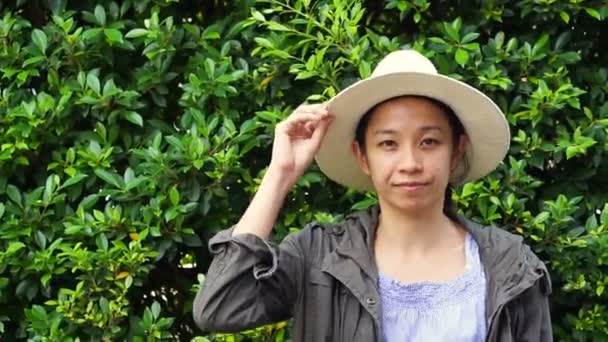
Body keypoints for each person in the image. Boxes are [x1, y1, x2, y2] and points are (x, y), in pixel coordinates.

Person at [192, 50, 552, 341]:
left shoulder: (511, 267)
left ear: (456, 151)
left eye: (429, 142)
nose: (410, 163)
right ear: (362, 155)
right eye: (388, 144)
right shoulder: (319, 258)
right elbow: (220, 307)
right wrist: (280, 175)